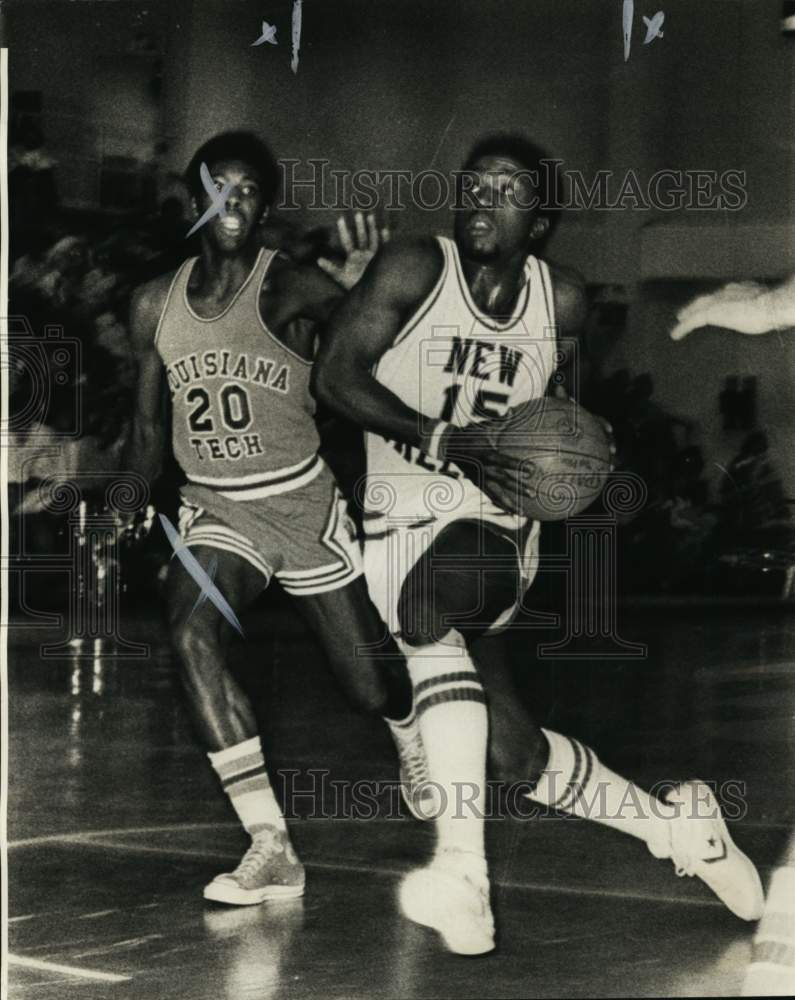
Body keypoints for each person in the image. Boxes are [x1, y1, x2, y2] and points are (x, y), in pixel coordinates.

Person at [314, 133, 765, 954]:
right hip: (388, 523)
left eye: (508, 190)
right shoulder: (415, 267)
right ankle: (679, 833)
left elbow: (555, 412)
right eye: (474, 184)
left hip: (488, 532)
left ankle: (463, 876)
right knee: (513, 756)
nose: (485, 199)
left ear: (542, 219)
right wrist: (440, 437)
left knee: (429, 604)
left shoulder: (559, 300)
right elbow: (334, 377)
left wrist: (579, 454)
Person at [123, 131, 427, 907]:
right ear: (195, 202)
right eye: (218, 188)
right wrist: (128, 492)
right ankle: (271, 843)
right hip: (216, 505)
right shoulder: (153, 303)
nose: (233, 201)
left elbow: (376, 348)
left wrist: (361, 290)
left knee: (368, 686)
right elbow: (150, 428)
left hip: (300, 502)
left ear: (264, 206)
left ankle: (405, 726)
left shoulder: (291, 285)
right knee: (188, 628)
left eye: (250, 188)